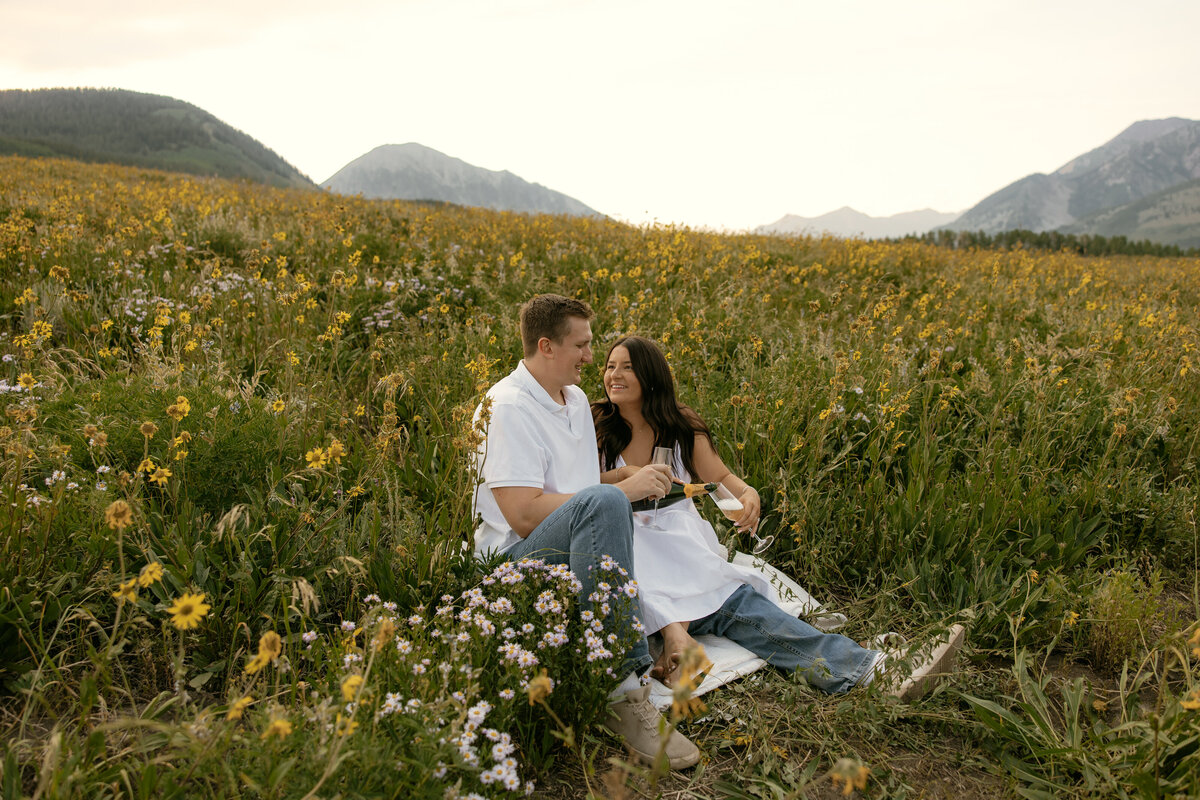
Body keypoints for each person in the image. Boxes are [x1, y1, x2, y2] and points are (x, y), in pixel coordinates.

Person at [592, 335, 965, 698]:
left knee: (756, 615)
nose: (614, 375)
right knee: (650, 573)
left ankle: (873, 670)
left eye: (627, 367)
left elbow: (721, 479)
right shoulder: (596, 427)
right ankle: (676, 636)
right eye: (610, 367)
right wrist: (623, 477)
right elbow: (578, 489)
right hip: (630, 544)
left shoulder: (680, 427)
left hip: (683, 549)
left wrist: (748, 493)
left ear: (651, 376)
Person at [471, 294, 701, 770]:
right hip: (513, 561)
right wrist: (616, 494)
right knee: (606, 503)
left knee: (608, 498)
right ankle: (619, 690)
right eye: (582, 345)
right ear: (546, 347)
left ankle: (635, 646)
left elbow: (574, 489)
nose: (591, 357)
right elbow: (524, 514)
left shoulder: (573, 399)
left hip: (566, 539)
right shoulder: (508, 408)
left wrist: (620, 480)